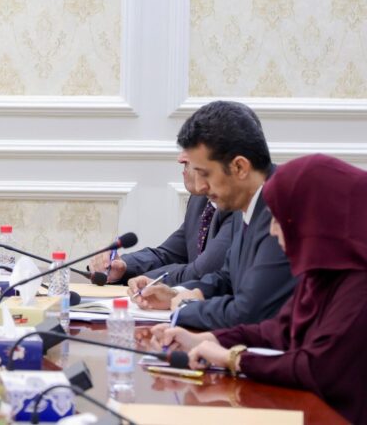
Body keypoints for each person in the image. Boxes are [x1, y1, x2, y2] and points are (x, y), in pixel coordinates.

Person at [155, 154, 367, 424]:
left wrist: (233, 358)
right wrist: (209, 340)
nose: (274, 231)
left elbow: (316, 368)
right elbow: (277, 331)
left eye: (280, 219)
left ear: (317, 219)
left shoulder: (359, 283)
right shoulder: (323, 272)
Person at [131, 101, 295, 330]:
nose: (200, 186)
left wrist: (186, 307)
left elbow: (249, 311)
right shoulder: (244, 201)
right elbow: (226, 279)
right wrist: (175, 294)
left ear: (239, 167)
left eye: (205, 174)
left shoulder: (283, 207)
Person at [92, 151, 236, 286]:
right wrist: (123, 266)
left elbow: (201, 272)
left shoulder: (237, 209)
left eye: (191, 149)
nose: (180, 158)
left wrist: (144, 280)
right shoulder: (200, 200)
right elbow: (167, 255)